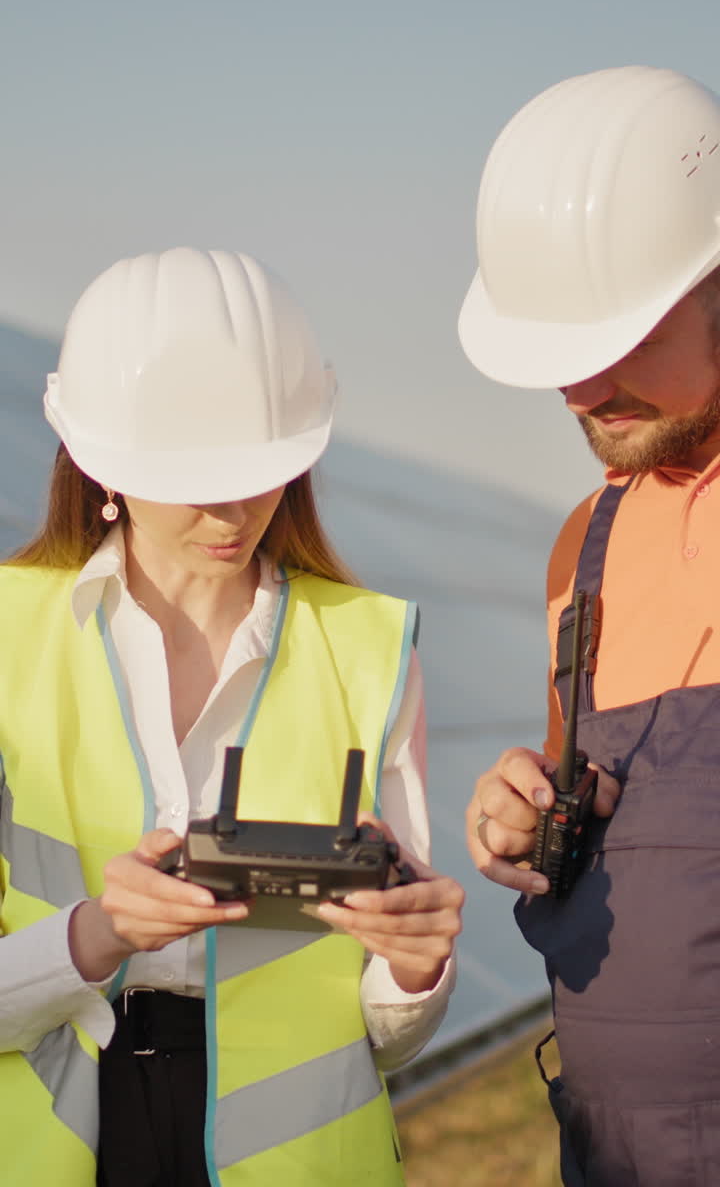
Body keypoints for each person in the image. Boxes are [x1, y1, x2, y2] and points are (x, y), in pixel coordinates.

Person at [0, 246, 463, 1187]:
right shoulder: (9, 638)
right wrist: (96, 934)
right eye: (194, 475)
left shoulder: (374, 650)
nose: (234, 507)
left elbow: (384, 1036)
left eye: (263, 469)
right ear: (102, 465)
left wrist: (414, 970)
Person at [459, 66, 720, 1186]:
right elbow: (616, 794)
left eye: (621, 335)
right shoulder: (586, 543)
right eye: (557, 350)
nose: (583, 387)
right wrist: (524, 811)